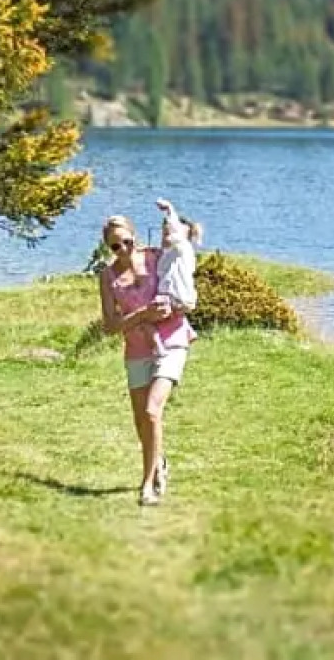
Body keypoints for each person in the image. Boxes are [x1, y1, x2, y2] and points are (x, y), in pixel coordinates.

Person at [98, 213, 197, 506]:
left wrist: (172, 308)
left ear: (135, 237)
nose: (123, 250)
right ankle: (159, 462)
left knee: (152, 411)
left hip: (172, 341)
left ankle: (148, 485)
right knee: (141, 421)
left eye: (127, 242)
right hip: (137, 349)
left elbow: (181, 272)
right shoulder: (108, 277)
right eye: (115, 246)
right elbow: (110, 326)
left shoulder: (156, 257)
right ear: (108, 247)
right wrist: (142, 315)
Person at [148, 197, 203, 357]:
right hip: (179, 298)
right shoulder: (170, 253)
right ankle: (187, 330)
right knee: (169, 317)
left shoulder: (183, 248)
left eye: (170, 233)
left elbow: (174, 229)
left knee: (145, 319)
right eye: (164, 232)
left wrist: (169, 209)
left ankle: (158, 347)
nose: (167, 235)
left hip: (176, 297)